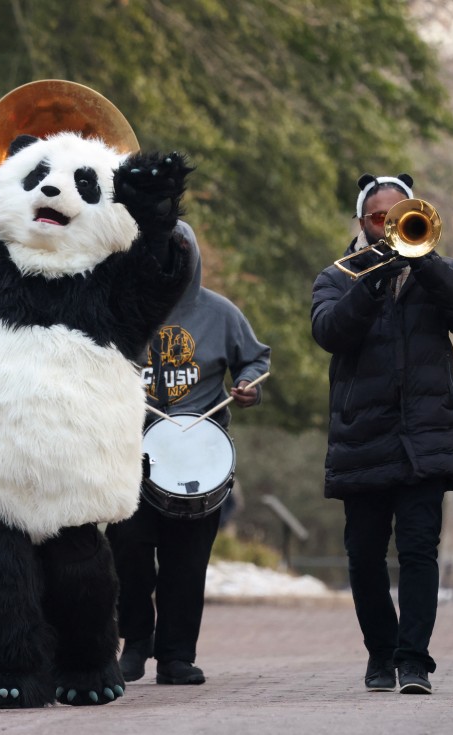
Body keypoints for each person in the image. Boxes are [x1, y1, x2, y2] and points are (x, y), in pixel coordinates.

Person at [311, 173, 453, 694]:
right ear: (362, 223)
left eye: (399, 217)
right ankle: (380, 653)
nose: (389, 227)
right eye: (377, 219)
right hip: (362, 440)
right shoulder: (337, 277)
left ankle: (414, 661)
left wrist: (427, 263)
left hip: (424, 441)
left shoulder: (440, 271)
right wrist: (369, 282)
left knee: (418, 552)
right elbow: (329, 332)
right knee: (364, 557)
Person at [106, 220, 270, 687]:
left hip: (200, 458)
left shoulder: (221, 313)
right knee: (129, 553)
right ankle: (135, 643)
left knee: (187, 562)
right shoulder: (122, 310)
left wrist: (247, 388)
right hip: (131, 453)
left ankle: (177, 656)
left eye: (174, 256)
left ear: (190, 259)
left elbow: (255, 361)